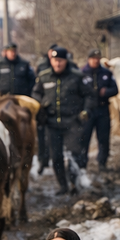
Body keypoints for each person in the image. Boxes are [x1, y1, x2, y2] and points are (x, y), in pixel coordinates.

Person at [31, 47, 96, 195]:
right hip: (52, 123)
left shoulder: (76, 77)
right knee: (56, 157)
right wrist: (40, 105)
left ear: (66, 61)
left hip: (72, 122)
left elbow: (89, 95)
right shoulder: (44, 76)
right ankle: (63, 185)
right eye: (55, 61)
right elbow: (36, 93)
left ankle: (74, 183)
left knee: (74, 154)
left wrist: (86, 110)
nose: (58, 64)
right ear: (51, 61)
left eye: (60, 61)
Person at [80, 49, 118, 171]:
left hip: (102, 108)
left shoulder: (106, 73)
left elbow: (115, 89)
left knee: (103, 137)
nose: (95, 61)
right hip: (87, 110)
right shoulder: (82, 73)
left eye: (97, 58)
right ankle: (82, 163)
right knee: (84, 137)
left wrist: (106, 92)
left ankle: (102, 162)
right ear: (88, 59)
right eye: (93, 58)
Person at [34, 44, 58, 174]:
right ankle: (42, 160)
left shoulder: (67, 66)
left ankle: (55, 161)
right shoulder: (42, 66)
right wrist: (40, 103)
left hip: (59, 109)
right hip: (44, 110)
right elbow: (36, 88)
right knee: (42, 136)